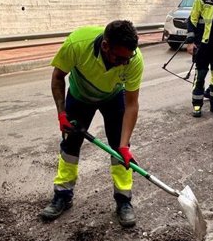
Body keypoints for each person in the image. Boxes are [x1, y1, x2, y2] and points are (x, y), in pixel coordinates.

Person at [41, 21, 143, 228]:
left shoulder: (133, 60)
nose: (125, 63)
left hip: (113, 97)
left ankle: (124, 200)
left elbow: (131, 104)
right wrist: (62, 114)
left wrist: (124, 146)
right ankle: (62, 195)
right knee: (70, 147)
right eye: (119, 58)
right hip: (80, 97)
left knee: (118, 149)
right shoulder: (78, 44)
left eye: (128, 58)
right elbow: (58, 76)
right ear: (105, 46)